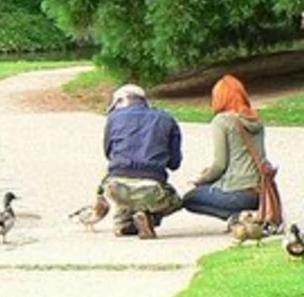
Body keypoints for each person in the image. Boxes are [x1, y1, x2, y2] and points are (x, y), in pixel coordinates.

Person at [181, 74, 266, 223]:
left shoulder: (222, 121)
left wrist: (200, 179)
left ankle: (236, 217)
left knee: (190, 199)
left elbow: (220, 165)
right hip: (261, 193)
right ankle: (244, 216)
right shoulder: (255, 120)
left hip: (239, 192)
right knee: (208, 186)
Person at [103, 83, 183, 239]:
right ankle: (148, 217)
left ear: (121, 101)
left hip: (116, 188)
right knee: (176, 201)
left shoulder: (113, 118)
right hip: (152, 188)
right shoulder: (166, 118)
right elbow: (175, 163)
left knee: (126, 188)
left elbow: (108, 153)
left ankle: (126, 222)